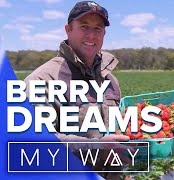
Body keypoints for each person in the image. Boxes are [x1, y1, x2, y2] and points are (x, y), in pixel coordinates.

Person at [24, 1, 132, 178]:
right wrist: (97, 148)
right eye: (84, 26)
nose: (91, 35)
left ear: (104, 33)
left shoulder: (110, 79)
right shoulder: (44, 80)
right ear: (68, 29)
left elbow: (112, 132)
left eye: (98, 28)